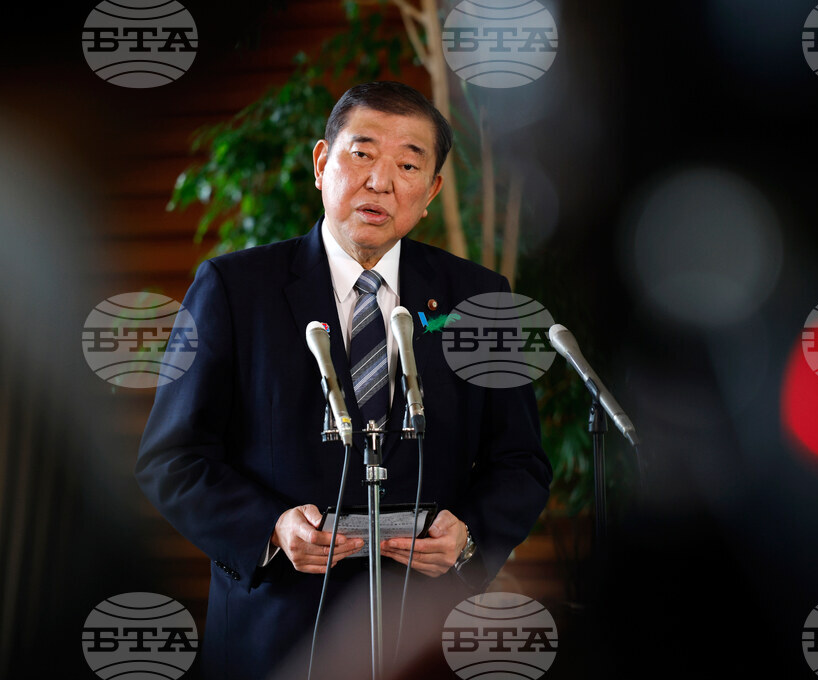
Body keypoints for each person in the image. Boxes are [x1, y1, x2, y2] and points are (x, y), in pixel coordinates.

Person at [135, 81, 552, 679]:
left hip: (425, 636)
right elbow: (172, 458)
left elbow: (520, 461)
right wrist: (271, 529)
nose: (380, 181)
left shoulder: (478, 298)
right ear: (321, 163)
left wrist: (469, 538)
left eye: (408, 164)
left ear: (431, 191)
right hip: (277, 634)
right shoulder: (234, 289)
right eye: (362, 154)